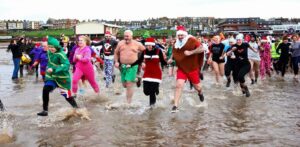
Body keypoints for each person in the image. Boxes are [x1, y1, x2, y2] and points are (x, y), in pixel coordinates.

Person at [37, 37, 78, 116]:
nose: (51, 49)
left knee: (67, 97)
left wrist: (54, 68)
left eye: (53, 47)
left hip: (62, 78)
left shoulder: (61, 54)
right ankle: (45, 110)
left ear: (57, 47)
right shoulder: (49, 51)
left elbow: (66, 65)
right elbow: (44, 48)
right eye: (50, 47)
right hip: (52, 77)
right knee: (45, 89)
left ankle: (77, 109)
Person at [167, 26, 205, 113]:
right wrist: (171, 58)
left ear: (185, 34)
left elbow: (202, 48)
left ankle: (200, 93)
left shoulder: (192, 40)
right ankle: (175, 106)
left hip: (192, 68)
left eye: (181, 35)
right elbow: (175, 51)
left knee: (198, 87)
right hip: (181, 68)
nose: (180, 37)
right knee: (179, 85)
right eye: (179, 35)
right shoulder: (176, 43)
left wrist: (191, 52)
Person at [114, 30, 146, 104]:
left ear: (132, 36)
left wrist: (143, 61)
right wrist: (116, 61)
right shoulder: (120, 43)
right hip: (123, 66)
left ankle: (128, 103)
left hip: (133, 66)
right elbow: (116, 53)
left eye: (127, 36)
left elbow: (145, 51)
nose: (126, 38)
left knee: (129, 84)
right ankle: (137, 79)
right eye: (125, 36)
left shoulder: (137, 44)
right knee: (124, 85)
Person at [136, 37, 167, 107]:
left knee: (152, 92)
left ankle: (152, 107)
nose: (148, 47)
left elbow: (162, 61)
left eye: (150, 45)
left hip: (156, 74)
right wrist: (131, 64)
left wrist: (169, 63)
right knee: (146, 92)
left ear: (153, 45)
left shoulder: (158, 51)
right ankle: (156, 88)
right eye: (147, 45)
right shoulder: (144, 51)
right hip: (147, 73)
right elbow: (139, 61)